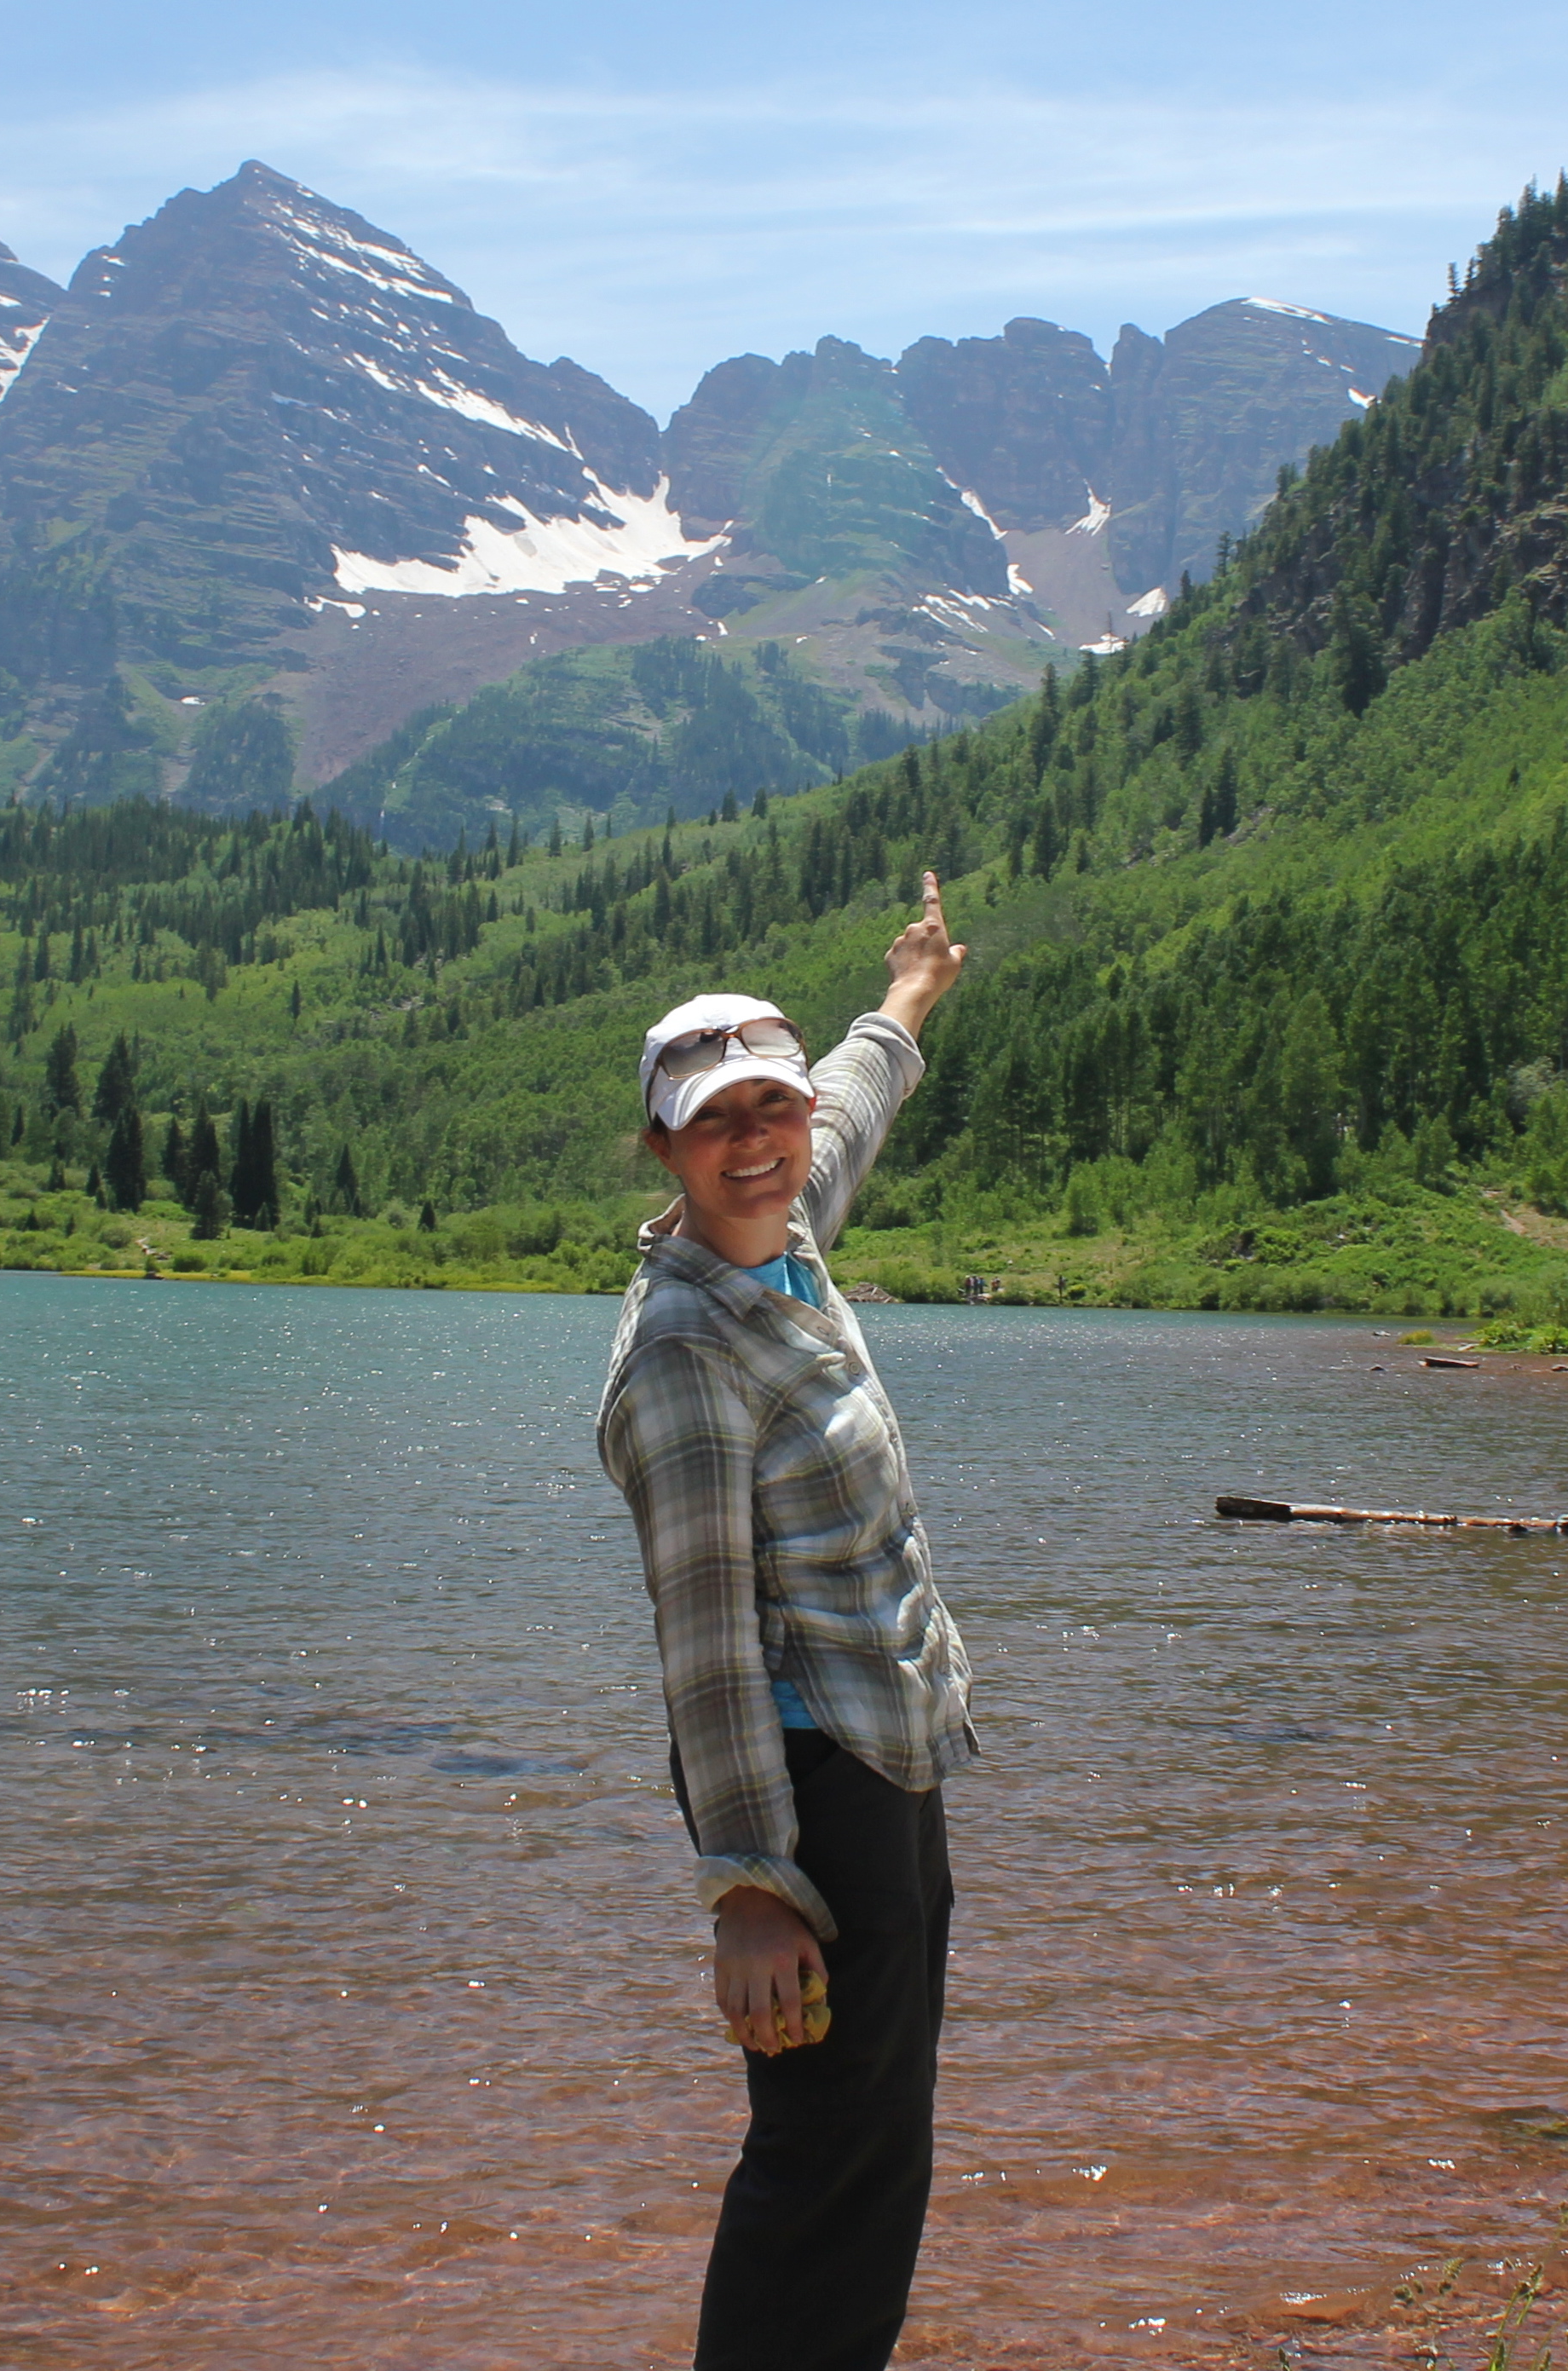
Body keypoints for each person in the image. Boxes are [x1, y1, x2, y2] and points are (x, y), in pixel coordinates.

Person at [598, 870, 975, 2371]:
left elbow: (854, 1095)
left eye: (771, 1108)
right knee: (830, 2156)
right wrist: (748, 1886)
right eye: (716, 1121)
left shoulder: (790, 1224)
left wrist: (908, 991)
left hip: (890, 1750)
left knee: (876, 2142)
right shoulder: (683, 1358)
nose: (756, 1140)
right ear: (663, 1149)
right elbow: (700, 1653)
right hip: (814, 1793)